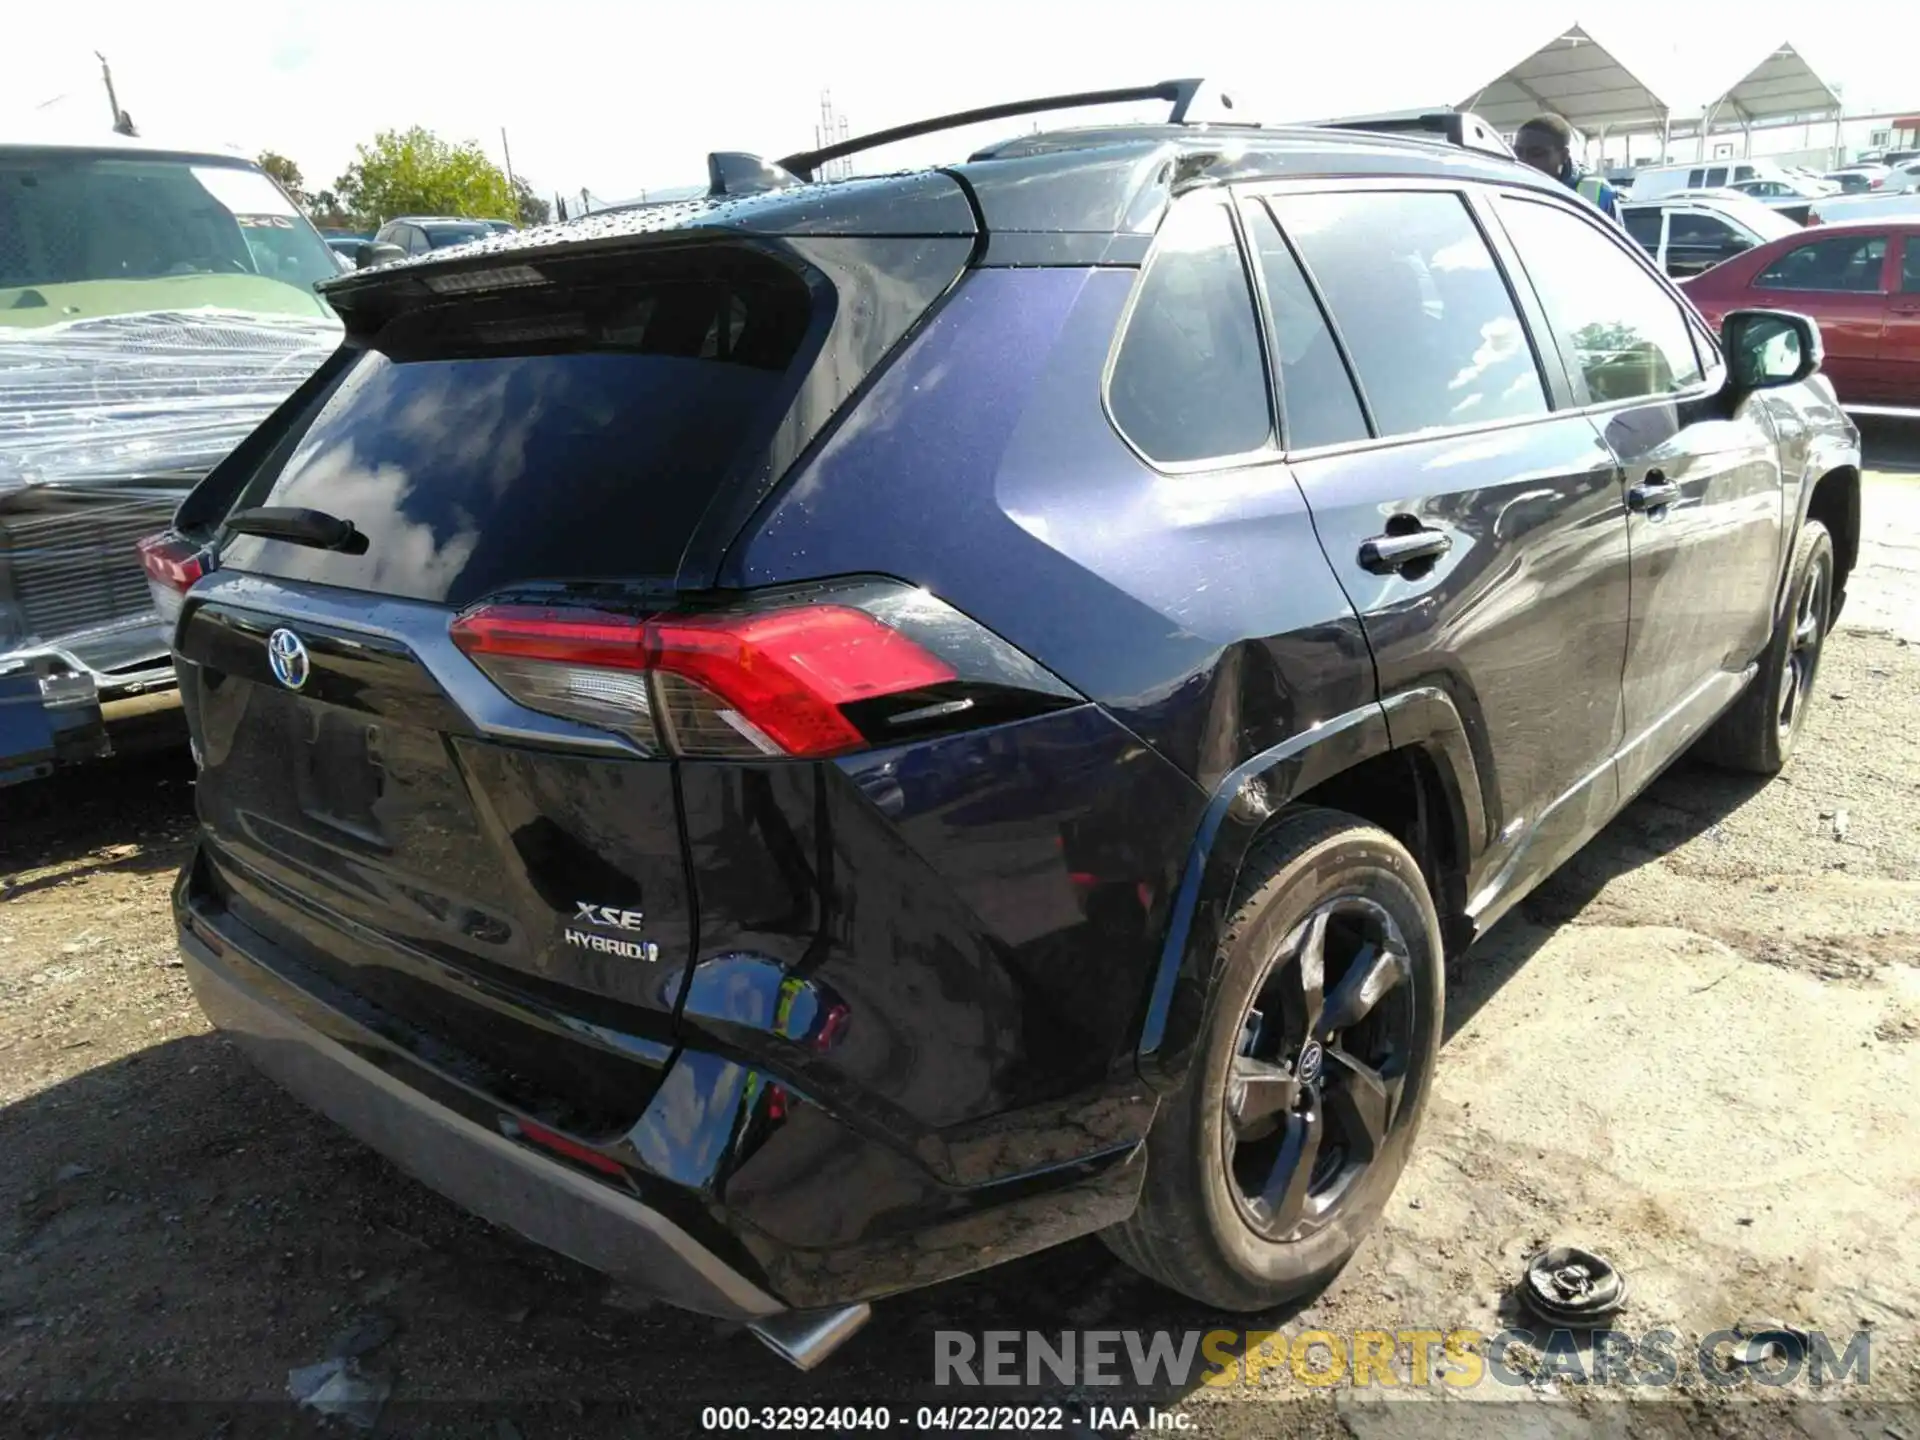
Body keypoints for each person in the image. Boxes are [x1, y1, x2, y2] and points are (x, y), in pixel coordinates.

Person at [1513, 115, 1621, 223]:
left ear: (1563, 155)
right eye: (1518, 152)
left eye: (1536, 154)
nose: (1523, 161)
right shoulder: (1509, 186)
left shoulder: (1594, 192)